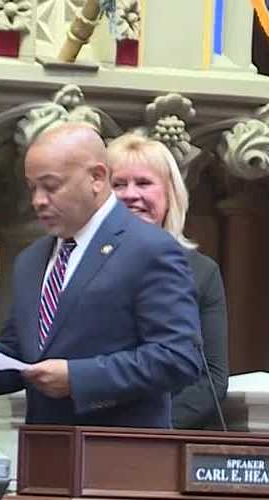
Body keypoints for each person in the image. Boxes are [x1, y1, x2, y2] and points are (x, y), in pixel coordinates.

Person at [0, 123, 201, 428]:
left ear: (97, 178)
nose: (38, 200)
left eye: (51, 186)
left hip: (118, 448)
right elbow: (19, 357)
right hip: (43, 446)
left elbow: (178, 357)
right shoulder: (31, 260)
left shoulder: (149, 248)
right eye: (32, 188)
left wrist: (77, 378)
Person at [106, 132, 229, 429]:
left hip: (168, 437)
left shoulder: (201, 272)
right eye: (118, 184)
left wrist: (153, 429)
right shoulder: (79, 263)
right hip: (92, 428)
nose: (130, 195)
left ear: (170, 195)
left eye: (143, 183)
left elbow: (212, 378)